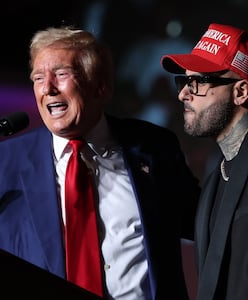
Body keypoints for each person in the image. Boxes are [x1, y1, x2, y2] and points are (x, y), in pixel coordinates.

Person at [0, 26, 201, 300]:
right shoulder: (7, 161)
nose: (47, 88)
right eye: (38, 77)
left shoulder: (154, 147)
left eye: (61, 74)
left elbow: (203, 223)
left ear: (100, 86)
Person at [161, 22, 248, 300]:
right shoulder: (217, 177)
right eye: (185, 81)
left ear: (241, 92)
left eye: (197, 82)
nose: (183, 94)